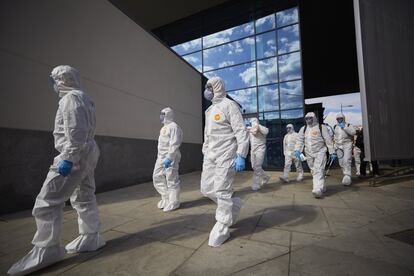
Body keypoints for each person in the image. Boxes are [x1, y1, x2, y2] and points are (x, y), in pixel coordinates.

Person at [8, 65, 105, 276]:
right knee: (84, 196)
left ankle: (47, 248)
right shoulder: (85, 97)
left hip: (75, 154)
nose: (53, 84)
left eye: (54, 79)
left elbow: (75, 131)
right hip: (88, 151)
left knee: (47, 201)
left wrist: (68, 158)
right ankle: (91, 236)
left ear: (62, 80)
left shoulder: (70, 99)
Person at [200, 76, 249, 247]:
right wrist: (205, 151)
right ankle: (233, 205)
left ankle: (223, 226)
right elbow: (208, 134)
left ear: (218, 87)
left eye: (210, 87)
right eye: (206, 87)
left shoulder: (230, 105)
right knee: (206, 188)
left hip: (226, 154)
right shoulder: (209, 110)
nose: (207, 91)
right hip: (211, 155)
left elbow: (241, 131)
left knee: (221, 189)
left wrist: (241, 154)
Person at [293, 112, 336, 198]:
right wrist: (297, 150)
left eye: (310, 118)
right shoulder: (303, 129)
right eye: (307, 118)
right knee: (313, 170)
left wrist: (332, 151)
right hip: (308, 153)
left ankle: (317, 189)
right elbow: (300, 140)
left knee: (318, 170)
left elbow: (328, 140)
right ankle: (321, 186)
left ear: (314, 118)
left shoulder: (321, 127)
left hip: (320, 152)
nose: (308, 120)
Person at [153, 107, 183, 212]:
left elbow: (174, 144)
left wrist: (169, 158)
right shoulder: (164, 128)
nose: (160, 116)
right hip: (160, 157)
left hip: (170, 157)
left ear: (168, 115)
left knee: (171, 179)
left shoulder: (174, 127)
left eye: (163, 114)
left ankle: (174, 202)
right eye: (160, 114)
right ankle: (165, 198)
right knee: (157, 177)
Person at [247, 118, 270, 191]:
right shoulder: (250, 130)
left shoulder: (263, 128)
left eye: (254, 121)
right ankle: (266, 177)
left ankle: (256, 184)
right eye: (251, 122)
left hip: (260, 149)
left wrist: (258, 126)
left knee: (257, 166)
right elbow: (249, 137)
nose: (253, 123)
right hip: (253, 150)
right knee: (254, 166)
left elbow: (265, 132)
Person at [333, 113, 356, 186]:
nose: (339, 120)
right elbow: (335, 137)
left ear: (343, 118)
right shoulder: (335, 126)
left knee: (346, 160)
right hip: (338, 146)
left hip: (347, 145)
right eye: (338, 119)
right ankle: (345, 175)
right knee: (341, 162)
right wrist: (334, 146)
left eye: (340, 118)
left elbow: (353, 133)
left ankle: (347, 175)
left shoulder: (349, 125)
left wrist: (345, 127)